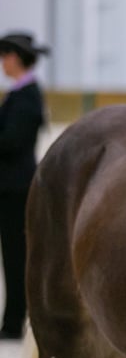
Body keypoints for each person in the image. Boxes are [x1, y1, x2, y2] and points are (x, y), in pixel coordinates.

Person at [0, 32, 47, 340]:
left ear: (14, 58)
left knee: (16, 256)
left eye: (4, 57)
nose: (2, 63)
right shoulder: (19, 94)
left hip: (15, 188)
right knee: (12, 255)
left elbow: (12, 142)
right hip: (10, 185)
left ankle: (15, 321)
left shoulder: (27, 96)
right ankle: (13, 318)